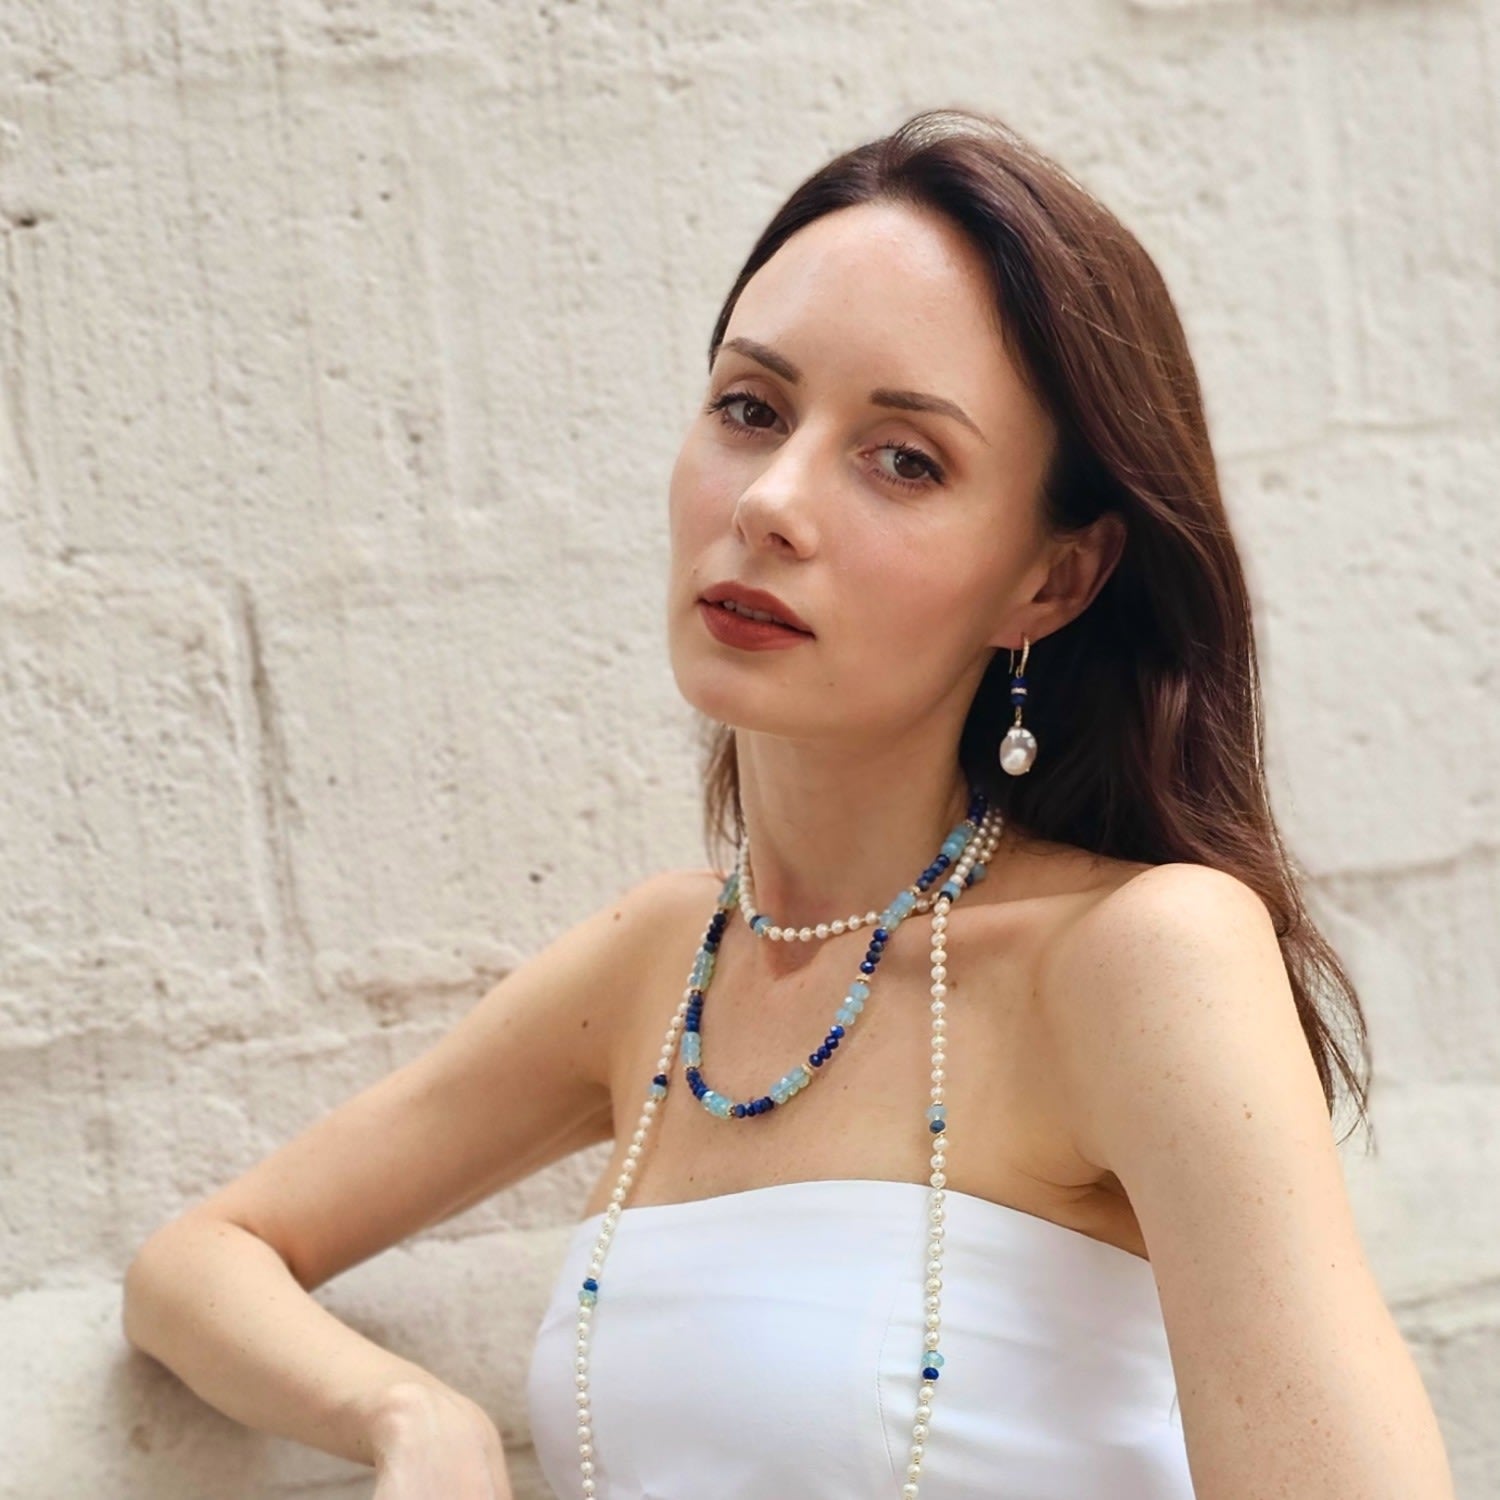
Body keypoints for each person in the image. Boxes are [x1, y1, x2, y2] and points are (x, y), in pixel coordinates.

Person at [122, 108, 1456, 1500]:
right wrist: (413, 1421)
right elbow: (197, 1263)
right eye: (751, 409)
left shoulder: (1144, 957)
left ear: (1050, 581)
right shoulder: (661, 965)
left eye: (905, 459)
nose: (769, 501)